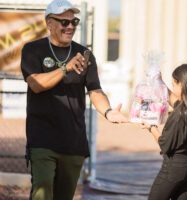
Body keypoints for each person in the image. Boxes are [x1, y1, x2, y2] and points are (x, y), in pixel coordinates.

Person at [20, 0, 127, 199]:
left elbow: (95, 90)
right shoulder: (32, 50)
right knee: (42, 191)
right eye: (64, 22)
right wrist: (65, 68)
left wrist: (108, 112)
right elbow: (35, 84)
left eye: (74, 22)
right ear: (49, 23)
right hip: (42, 139)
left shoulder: (85, 55)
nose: (70, 27)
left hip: (73, 141)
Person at [141, 63, 187, 200]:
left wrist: (151, 127)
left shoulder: (179, 114)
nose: (173, 88)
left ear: (182, 85)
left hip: (174, 168)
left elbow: (164, 144)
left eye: (174, 84)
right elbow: (173, 100)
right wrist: (159, 82)